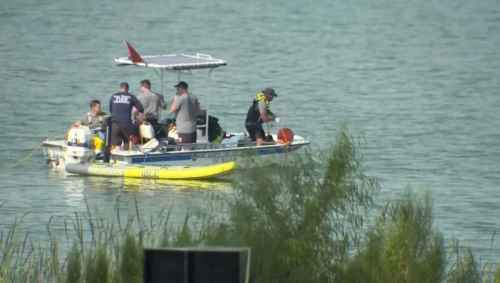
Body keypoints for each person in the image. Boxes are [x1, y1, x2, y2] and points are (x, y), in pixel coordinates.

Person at [109, 82, 144, 149]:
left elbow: (111, 110)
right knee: (127, 141)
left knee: (116, 145)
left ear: (120, 88)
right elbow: (141, 108)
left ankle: (116, 157)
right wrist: (136, 115)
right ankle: (127, 154)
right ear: (127, 89)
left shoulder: (113, 96)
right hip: (126, 123)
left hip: (115, 123)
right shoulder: (131, 96)